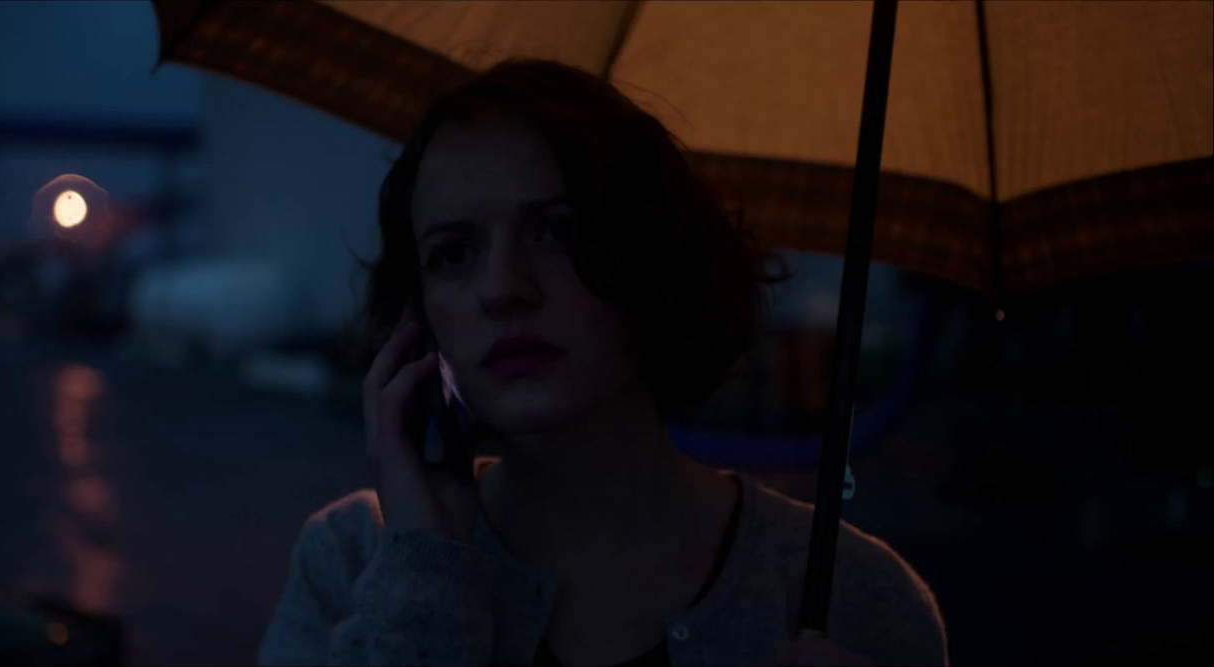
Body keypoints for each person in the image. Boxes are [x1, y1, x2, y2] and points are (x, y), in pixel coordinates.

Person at [258, 59, 946, 667]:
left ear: (654, 260)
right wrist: (424, 573)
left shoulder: (858, 595)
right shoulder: (351, 560)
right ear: (418, 316)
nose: (503, 287)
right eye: (454, 252)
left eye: (558, 232)